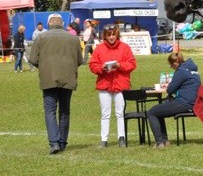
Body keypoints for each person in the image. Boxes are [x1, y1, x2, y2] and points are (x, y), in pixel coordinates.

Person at [28, 13, 83, 155]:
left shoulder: (41, 37)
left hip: (48, 78)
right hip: (68, 77)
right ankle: (62, 142)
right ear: (62, 23)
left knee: (50, 111)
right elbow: (79, 60)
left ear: (48, 24)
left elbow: (33, 59)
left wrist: (45, 67)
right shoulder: (73, 38)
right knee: (65, 111)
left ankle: (54, 142)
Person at [88, 24, 137, 148]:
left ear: (117, 34)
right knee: (105, 113)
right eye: (109, 35)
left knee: (120, 112)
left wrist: (119, 66)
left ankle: (122, 137)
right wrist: (102, 68)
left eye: (113, 34)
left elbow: (132, 64)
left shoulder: (125, 48)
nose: (111, 37)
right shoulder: (99, 49)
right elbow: (93, 65)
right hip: (105, 84)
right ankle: (104, 139)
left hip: (120, 84)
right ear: (105, 35)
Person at [146, 52, 201, 148]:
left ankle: (160, 142)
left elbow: (170, 89)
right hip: (193, 102)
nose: (172, 68)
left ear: (175, 63)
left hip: (184, 103)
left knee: (152, 112)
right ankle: (164, 141)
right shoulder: (192, 70)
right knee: (159, 111)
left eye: (171, 66)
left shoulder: (181, 71)